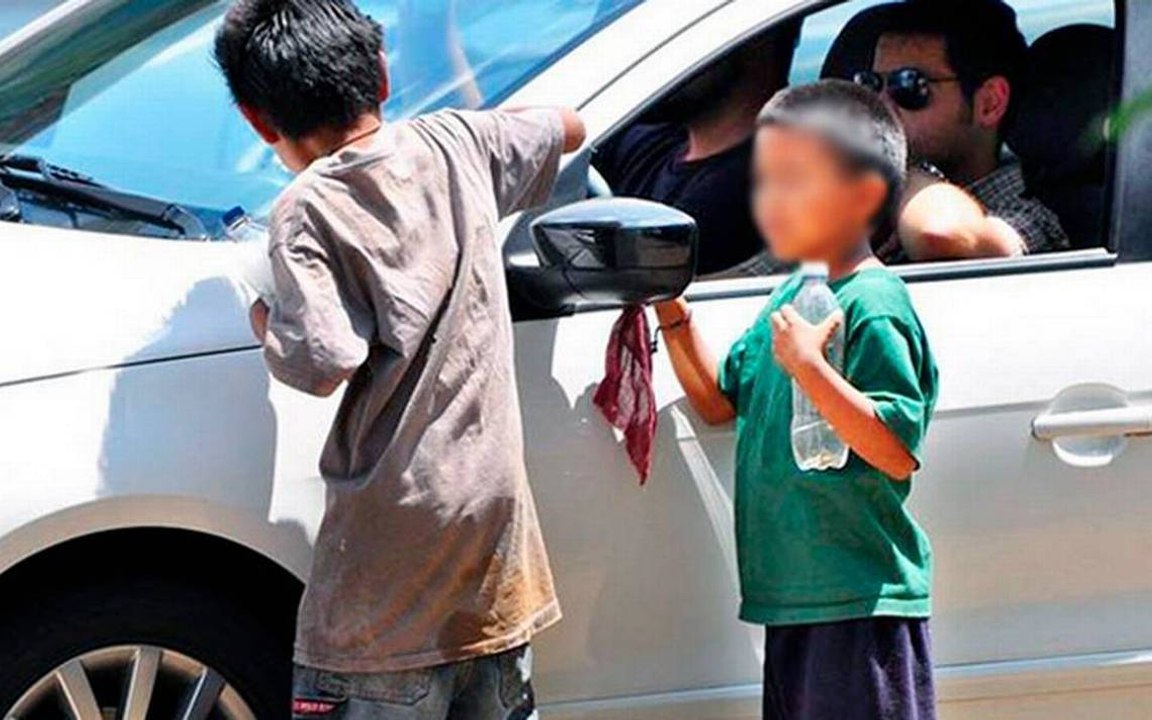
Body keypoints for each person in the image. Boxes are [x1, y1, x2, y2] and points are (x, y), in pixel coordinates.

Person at [213, 1, 585, 718]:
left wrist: (264, 319)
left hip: (385, 589)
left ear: (259, 122)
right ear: (382, 76)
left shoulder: (306, 209)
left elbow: (321, 360)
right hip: (492, 566)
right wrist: (481, 123)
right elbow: (568, 126)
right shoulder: (456, 142)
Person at [656, 81, 939, 719]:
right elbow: (719, 401)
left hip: (859, 601)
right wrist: (671, 311)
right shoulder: (791, 296)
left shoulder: (874, 302)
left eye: (792, 181)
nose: (769, 200)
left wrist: (811, 369)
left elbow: (895, 449)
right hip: (793, 600)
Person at [858, 0, 1070, 261]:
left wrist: (897, 168)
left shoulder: (1028, 218)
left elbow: (939, 234)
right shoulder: (881, 208)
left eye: (908, 84)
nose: (881, 104)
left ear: (990, 103)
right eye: (870, 84)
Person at [594, 26, 798, 276]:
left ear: (755, 43)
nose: (657, 57)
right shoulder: (652, 140)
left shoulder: (744, 192)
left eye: (678, 39)